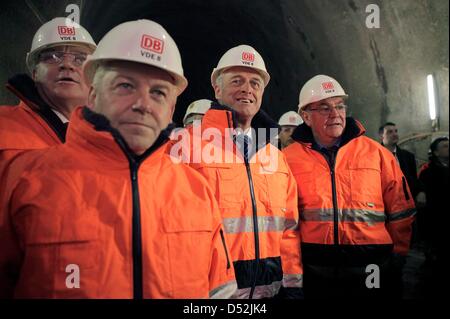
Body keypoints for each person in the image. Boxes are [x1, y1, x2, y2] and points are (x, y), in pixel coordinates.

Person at [0, 19, 236, 299]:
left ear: (172, 106)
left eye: (158, 92)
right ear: (93, 93)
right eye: (125, 86)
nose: (143, 104)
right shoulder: (26, 180)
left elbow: (221, 294)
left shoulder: (198, 193)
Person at [175, 44, 303, 299]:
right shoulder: (185, 147)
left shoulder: (275, 157)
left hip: (270, 293)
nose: (247, 89)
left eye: (255, 83)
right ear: (217, 88)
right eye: (237, 81)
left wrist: (293, 286)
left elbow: (288, 229)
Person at [283, 74, 416, 299]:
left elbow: (401, 210)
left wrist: (397, 256)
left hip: (372, 267)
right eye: (324, 108)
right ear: (306, 116)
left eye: (339, 106)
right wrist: (292, 275)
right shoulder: (287, 159)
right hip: (315, 271)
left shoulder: (377, 154)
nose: (335, 113)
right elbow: (285, 225)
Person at [0, 18, 96, 177]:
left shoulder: (112, 137)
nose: (67, 65)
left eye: (79, 59)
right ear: (34, 73)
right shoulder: (3, 124)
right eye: (52, 56)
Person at [418, 136, 449, 295]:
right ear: (436, 152)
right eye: (445, 146)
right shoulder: (428, 172)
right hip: (437, 221)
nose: (448, 148)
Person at [378, 122, 426, 206]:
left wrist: (420, 191)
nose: (395, 134)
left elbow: (413, 178)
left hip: (405, 201)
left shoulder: (408, 156)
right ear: (381, 136)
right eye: (390, 132)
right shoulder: (375, 155)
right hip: (383, 201)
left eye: (396, 131)